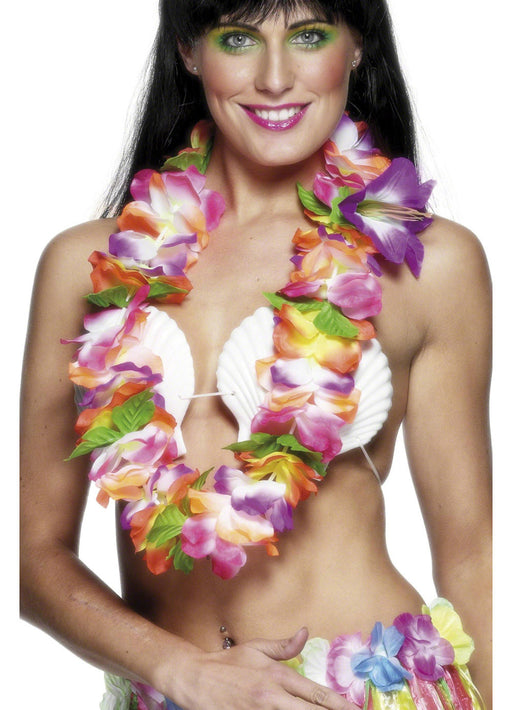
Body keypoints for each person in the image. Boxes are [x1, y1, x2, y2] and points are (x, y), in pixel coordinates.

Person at [19, 0, 492, 708]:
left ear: (357, 47)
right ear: (189, 50)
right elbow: (32, 557)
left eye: (309, 35)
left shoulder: (428, 263)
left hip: (362, 695)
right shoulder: (87, 266)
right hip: (165, 692)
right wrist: (179, 669)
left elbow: (472, 555)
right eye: (239, 38)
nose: (275, 77)